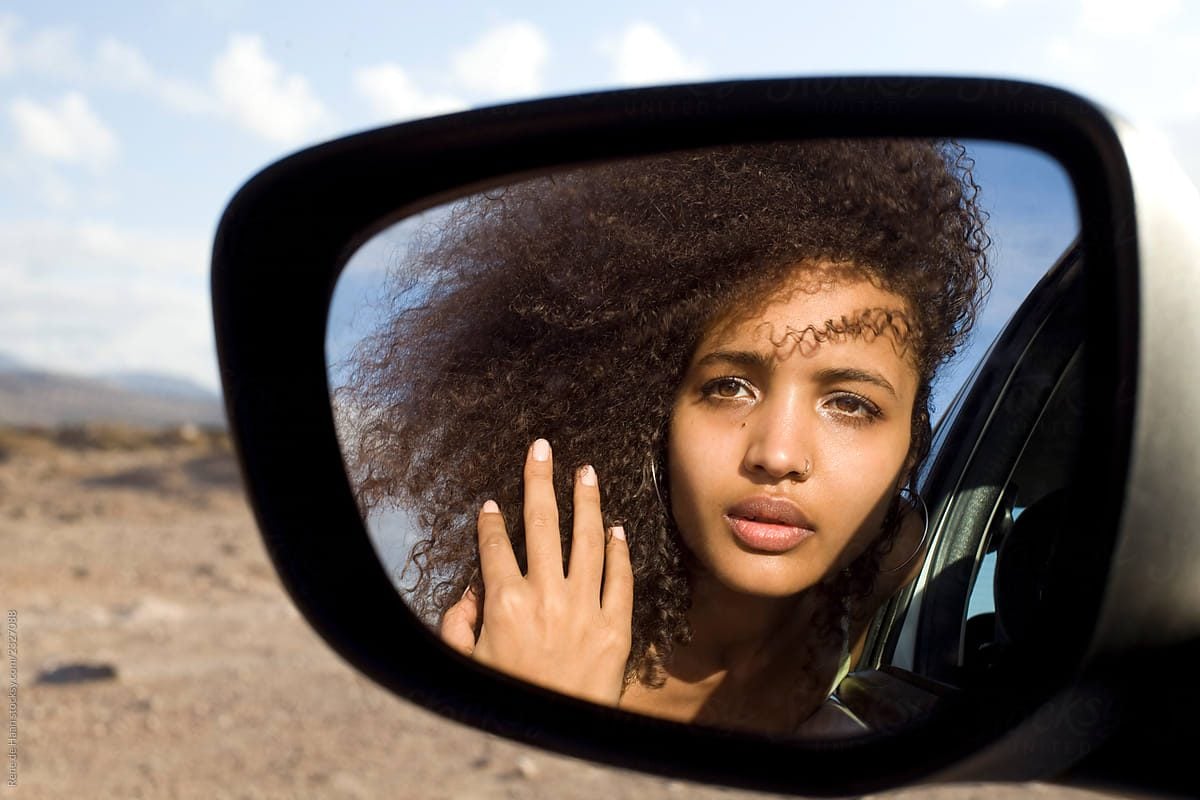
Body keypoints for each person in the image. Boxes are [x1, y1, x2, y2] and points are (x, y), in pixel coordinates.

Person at [341, 140, 990, 735]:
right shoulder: (552, 629)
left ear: (913, 443)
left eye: (849, 403)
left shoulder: (898, 560)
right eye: (730, 386)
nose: (778, 454)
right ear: (651, 414)